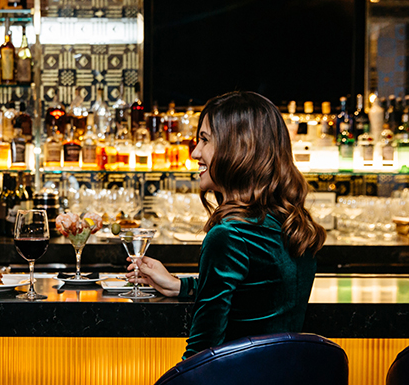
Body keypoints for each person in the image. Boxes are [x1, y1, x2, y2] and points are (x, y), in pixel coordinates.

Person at [127, 91, 326, 359]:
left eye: (205, 140)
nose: (195, 152)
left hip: (239, 375)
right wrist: (180, 286)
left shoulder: (229, 236)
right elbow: (259, 293)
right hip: (285, 373)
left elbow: (201, 354)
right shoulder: (292, 225)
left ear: (238, 149)